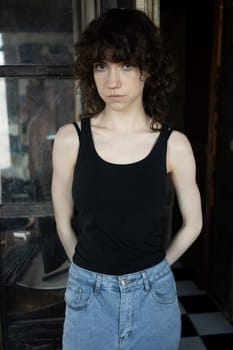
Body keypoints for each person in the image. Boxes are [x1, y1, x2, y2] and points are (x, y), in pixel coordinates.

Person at [51, 8, 202, 350]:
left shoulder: (174, 145)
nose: (112, 82)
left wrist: (158, 269)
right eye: (101, 66)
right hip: (88, 298)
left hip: (154, 298)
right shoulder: (70, 139)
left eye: (126, 65)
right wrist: (86, 269)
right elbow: (62, 221)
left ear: (148, 69)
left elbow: (194, 223)